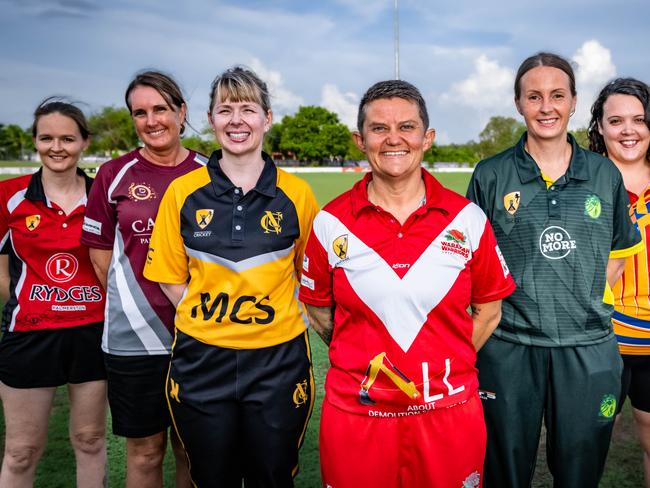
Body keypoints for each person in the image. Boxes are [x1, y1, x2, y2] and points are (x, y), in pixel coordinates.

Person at [298, 79, 516, 488]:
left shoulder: (466, 219)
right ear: (359, 140)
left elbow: (489, 310)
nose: (393, 139)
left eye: (407, 127)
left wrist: (440, 361)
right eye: (379, 128)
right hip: (359, 415)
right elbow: (319, 313)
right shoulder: (330, 222)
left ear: (427, 138)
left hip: (448, 412)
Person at [467, 53, 643, 487]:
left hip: (587, 347)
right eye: (535, 96)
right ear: (519, 103)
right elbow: (473, 264)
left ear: (574, 102)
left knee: (580, 472)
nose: (546, 107)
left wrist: (576, 298)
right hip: (508, 347)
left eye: (557, 95)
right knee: (503, 469)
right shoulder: (491, 174)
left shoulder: (604, 174)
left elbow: (618, 254)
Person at [143, 66, 319, 487]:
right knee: (211, 476)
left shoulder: (297, 195)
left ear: (267, 118)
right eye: (225, 110)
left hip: (278, 360)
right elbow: (170, 275)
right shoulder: (182, 192)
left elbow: (310, 278)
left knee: (273, 476)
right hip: (203, 359)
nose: (236, 120)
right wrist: (209, 322)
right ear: (210, 119)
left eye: (248, 109)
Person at [81, 71, 206, 488]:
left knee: (193, 448)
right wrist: (136, 306)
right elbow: (101, 261)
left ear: (181, 112)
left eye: (161, 109)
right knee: (146, 452)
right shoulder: (113, 175)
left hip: (201, 336)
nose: (152, 120)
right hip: (133, 338)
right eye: (140, 112)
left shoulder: (212, 174)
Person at [0, 98, 106, 487]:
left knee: (90, 440)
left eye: (67, 138)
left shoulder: (103, 196)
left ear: (84, 143)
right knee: (21, 450)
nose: (57, 147)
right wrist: (28, 304)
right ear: (35, 141)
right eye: (47, 138)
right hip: (29, 335)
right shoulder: (9, 196)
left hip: (93, 332)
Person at [588, 77, 650, 487]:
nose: (628, 130)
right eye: (616, 120)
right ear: (599, 128)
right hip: (598, 339)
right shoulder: (584, 183)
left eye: (639, 119)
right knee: (583, 446)